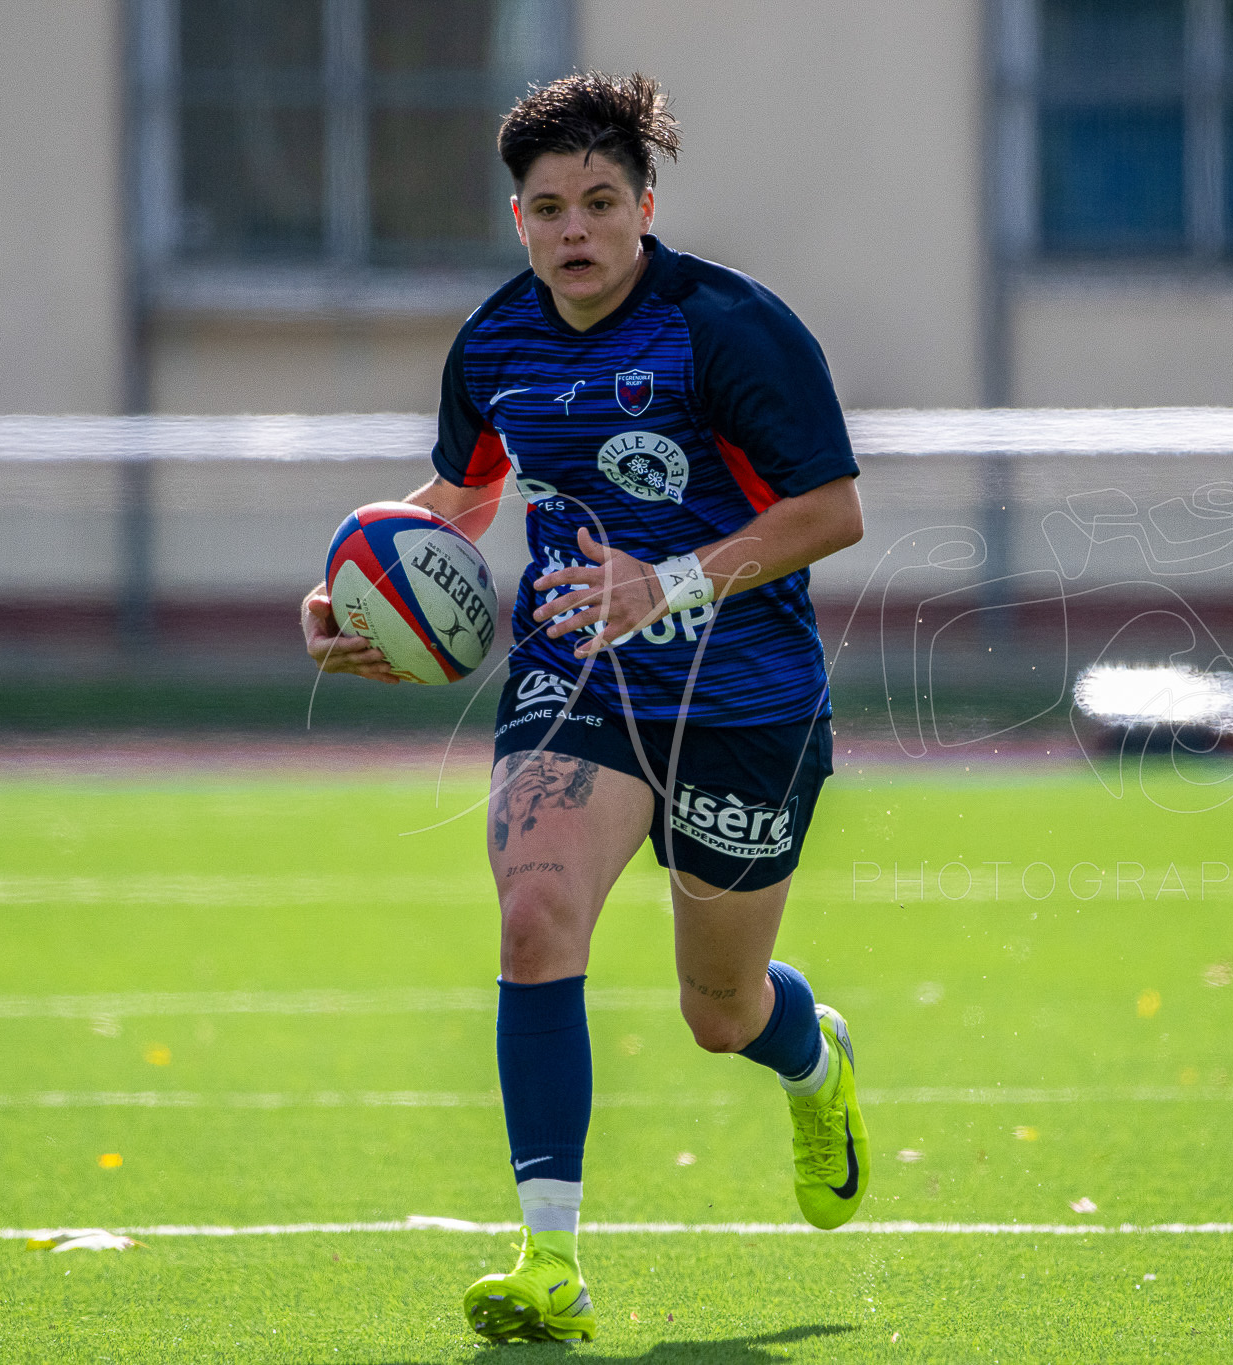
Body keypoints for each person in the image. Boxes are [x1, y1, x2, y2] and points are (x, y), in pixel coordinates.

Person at [300, 71, 868, 1345]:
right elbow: (458, 502)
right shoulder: (496, 344)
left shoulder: (727, 328)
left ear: (643, 205)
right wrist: (354, 589)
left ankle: (813, 1060)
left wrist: (660, 582)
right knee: (533, 913)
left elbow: (831, 511)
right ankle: (548, 1262)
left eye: (600, 201)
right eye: (549, 206)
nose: (575, 229)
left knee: (718, 1014)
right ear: (519, 220)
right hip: (579, 678)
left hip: (746, 696)